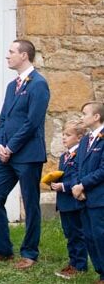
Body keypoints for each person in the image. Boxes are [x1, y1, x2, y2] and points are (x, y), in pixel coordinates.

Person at [0, 39, 50, 269]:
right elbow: (3, 118)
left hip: (28, 155)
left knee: (30, 204)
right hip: (5, 156)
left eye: (11, 52)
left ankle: (29, 253)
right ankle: (3, 250)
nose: (7, 56)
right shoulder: (12, 86)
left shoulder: (39, 84)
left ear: (24, 55)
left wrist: (11, 147)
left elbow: (32, 122)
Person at [50, 119, 89, 279]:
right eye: (63, 134)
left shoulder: (81, 155)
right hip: (64, 203)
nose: (64, 138)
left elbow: (79, 177)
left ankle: (79, 265)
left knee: (76, 234)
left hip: (73, 201)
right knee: (69, 234)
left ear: (79, 137)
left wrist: (63, 186)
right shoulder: (64, 156)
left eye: (68, 135)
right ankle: (73, 262)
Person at [72, 101, 104, 283]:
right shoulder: (85, 140)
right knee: (90, 236)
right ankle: (100, 271)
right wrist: (78, 186)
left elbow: (102, 169)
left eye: (84, 113)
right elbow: (77, 167)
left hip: (99, 197)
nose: (81, 117)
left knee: (100, 235)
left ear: (96, 116)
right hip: (83, 197)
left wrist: (83, 184)